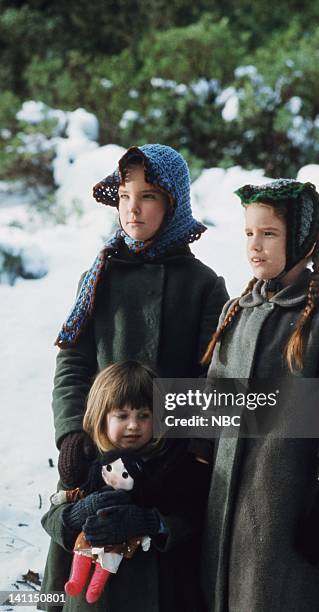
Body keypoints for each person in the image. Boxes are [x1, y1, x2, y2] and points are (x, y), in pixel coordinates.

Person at [39, 144, 228, 610]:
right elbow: (73, 363)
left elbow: (212, 377)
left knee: (161, 581)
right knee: (82, 573)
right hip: (99, 452)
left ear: (173, 204)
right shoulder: (101, 273)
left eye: (147, 196)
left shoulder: (203, 284)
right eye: (125, 195)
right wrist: (70, 436)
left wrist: (194, 452)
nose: (132, 208)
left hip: (168, 461)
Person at [201, 179, 319, 611]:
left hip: (297, 502)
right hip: (231, 505)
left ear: (302, 241)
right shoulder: (235, 312)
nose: (255, 245)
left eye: (269, 234)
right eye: (249, 234)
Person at [41, 360, 211, 612]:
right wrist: (80, 511)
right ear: (102, 417)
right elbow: (52, 519)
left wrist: (152, 523)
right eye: (122, 416)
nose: (133, 425)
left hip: (158, 594)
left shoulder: (172, 464)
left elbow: (191, 517)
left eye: (143, 416)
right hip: (95, 601)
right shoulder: (86, 462)